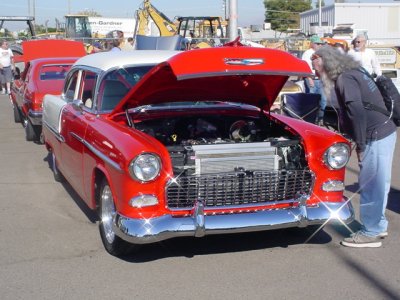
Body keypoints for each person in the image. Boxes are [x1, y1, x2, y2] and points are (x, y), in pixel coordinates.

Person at [312, 45, 397, 248]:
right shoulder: (355, 70)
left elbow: (356, 111)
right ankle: (379, 224)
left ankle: (371, 232)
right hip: (385, 129)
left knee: (371, 184)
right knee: (380, 183)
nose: (315, 72)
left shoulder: (345, 78)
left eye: (316, 67)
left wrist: (359, 144)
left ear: (325, 61)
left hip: (375, 134)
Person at [301, 35, 327, 124]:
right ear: (312, 44)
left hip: (320, 79)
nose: (320, 45)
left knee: (323, 99)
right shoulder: (308, 53)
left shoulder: (321, 53)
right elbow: (305, 67)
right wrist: (309, 78)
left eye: (321, 44)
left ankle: (320, 118)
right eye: (318, 44)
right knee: (311, 100)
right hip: (312, 79)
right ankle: (310, 119)